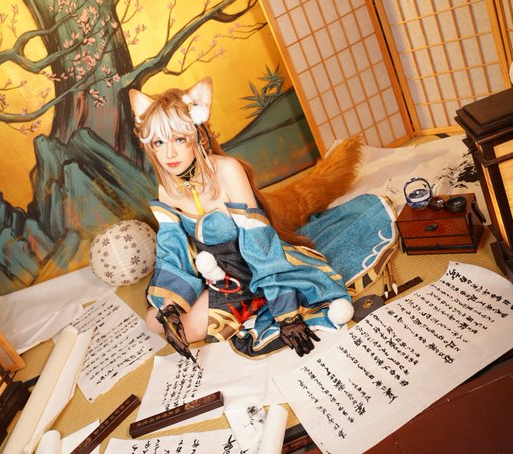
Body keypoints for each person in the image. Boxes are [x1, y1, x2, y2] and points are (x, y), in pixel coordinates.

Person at [128, 77, 394, 359]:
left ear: (197, 135)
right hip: (207, 273)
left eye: (179, 139)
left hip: (249, 269)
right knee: (155, 320)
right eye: (159, 142)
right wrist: (170, 304)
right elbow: (173, 250)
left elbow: (258, 241)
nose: (169, 153)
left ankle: (262, 298)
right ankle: (190, 303)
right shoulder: (167, 187)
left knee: (190, 328)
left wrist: (286, 314)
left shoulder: (227, 170)